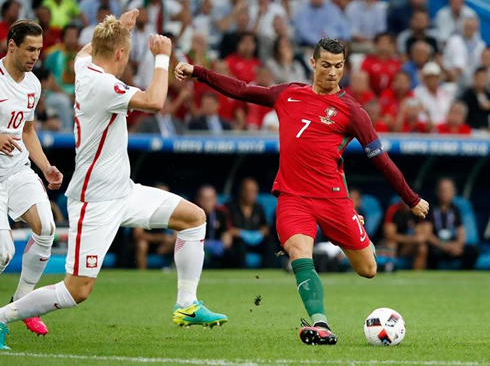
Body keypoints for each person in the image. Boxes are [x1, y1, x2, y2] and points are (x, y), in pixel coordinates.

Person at [175, 37, 429, 345]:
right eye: (326, 65)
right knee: (298, 252)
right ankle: (320, 324)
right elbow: (241, 89)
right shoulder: (287, 94)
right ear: (313, 63)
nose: (333, 72)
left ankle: (357, 226)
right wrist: (198, 72)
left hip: (334, 200)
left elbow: (383, 161)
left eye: (338, 66)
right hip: (293, 198)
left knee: (369, 269)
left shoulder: (353, 112)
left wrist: (411, 200)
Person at [0, 10, 227, 351]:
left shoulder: (84, 66)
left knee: (194, 219)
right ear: (120, 54)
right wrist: (162, 58)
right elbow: (154, 101)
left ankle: (187, 305)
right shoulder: (102, 84)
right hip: (95, 202)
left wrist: (120, 27)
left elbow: (84, 52)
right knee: (77, 291)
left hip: (124, 191)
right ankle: (3, 316)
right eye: (127, 50)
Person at [0, 19, 63, 338]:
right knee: (2, 252)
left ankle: (21, 303)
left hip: (18, 170)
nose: (35, 55)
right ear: (11, 45)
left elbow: (27, 131)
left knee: (47, 229)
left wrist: (46, 166)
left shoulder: (33, 85)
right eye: (29, 49)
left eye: (39, 49)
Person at [424, 178, 479, 270]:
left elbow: (461, 231)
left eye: (448, 190)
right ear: (437, 192)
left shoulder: (456, 209)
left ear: (453, 192)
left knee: (472, 251)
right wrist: (444, 246)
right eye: (442, 190)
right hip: (437, 246)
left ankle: (463, 276)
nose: (444, 193)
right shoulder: (430, 208)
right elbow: (427, 234)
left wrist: (458, 245)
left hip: (453, 244)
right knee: (430, 251)